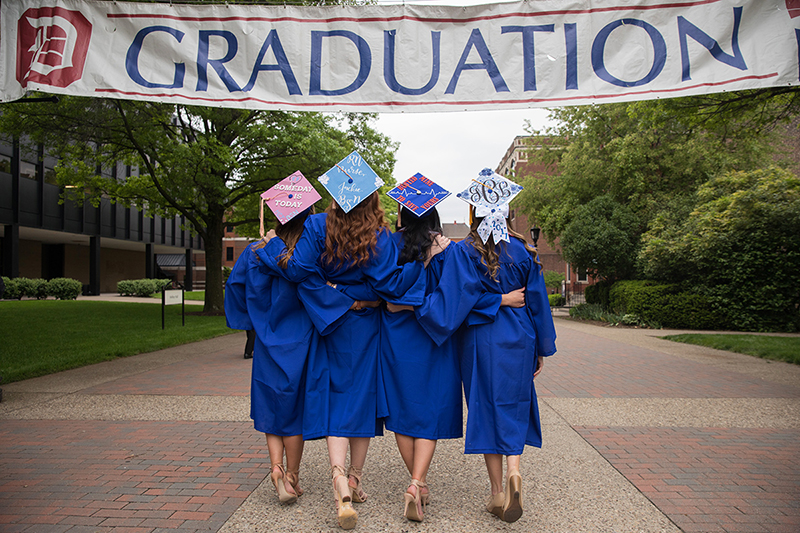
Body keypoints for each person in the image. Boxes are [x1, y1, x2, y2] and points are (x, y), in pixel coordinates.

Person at [257, 154, 437, 530]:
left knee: (335, 398)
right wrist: (373, 291)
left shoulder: (317, 226)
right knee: (361, 400)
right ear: (371, 200)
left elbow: (299, 271)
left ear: (335, 197)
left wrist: (330, 290)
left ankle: (339, 478)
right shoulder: (381, 236)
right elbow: (387, 285)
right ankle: (353, 477)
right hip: (366, 325)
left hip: (330, 324)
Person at [410, 170, 557, 523]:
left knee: (485, 406)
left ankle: (496, 493)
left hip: (479, 339)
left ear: (474, 211)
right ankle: (515, 471)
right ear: (506, 209)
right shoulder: (525, 250)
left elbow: (455, 303)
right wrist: (540, 346)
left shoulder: (463, 252)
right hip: (519, 338)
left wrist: (424, 308)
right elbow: (537, 302)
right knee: (514, 403)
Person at [382, 200, 524, 522]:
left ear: (402, 215)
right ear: (436, 217)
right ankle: (417, 483)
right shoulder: (450, 251)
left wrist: (404, 303)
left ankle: (418, 486)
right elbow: (458, 299)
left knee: (402, 412)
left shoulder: (391, 245)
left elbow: (384, 290)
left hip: (398, 339)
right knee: (429, 413)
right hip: (435, 340)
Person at [225, 177, 361, 508]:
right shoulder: (308, 252)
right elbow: (318, 285)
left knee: (274, 406)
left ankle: (275, 469)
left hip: (268, 340)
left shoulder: (256, 251)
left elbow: (235, 286)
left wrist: (252, 322)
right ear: (309, 215)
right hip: (301, 340)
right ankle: (293, 476)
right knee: (294, 410)